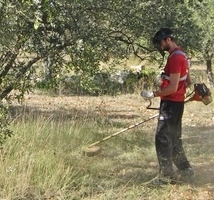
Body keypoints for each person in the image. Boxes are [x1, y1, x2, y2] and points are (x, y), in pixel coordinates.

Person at [141, 28, 194, 183]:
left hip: (171, 103)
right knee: (174, 137)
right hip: (176, 103)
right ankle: (186, 170)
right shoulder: (182, 54)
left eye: (160, 42)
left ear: (168, 40)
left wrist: (153, 94)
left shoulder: (175, 58)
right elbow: (188, 81)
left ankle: (166, 176)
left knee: (162, 138)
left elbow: (172, 87)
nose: (159, 45)